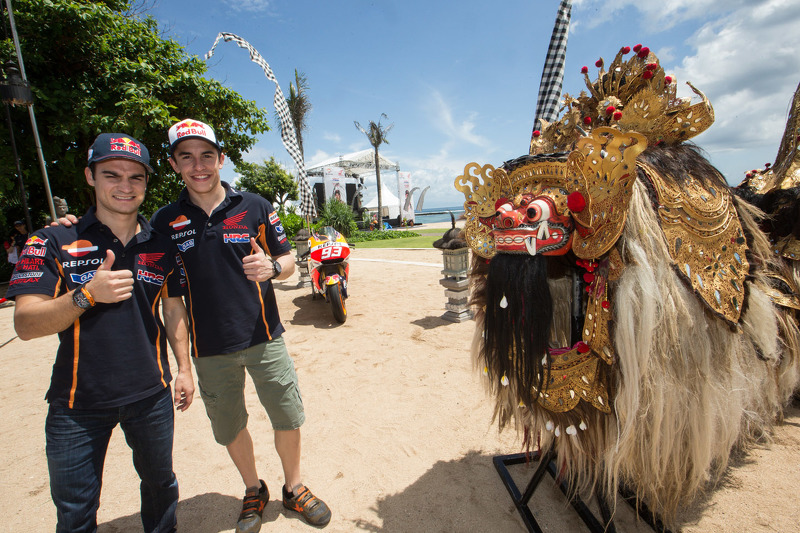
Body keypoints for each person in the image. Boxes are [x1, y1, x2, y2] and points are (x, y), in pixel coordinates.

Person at [150, 119, 331, 532]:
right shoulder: (165, 221)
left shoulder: (255, 206)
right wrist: (182, 366)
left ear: (221, 159)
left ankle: (294, 487)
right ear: (175, 164)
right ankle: (254, 488)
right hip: (209, 350)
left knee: (287, 415)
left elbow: (287, 260)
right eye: (187, 157)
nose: (199, 166)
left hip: (264, 337)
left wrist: (271, 267)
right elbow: (172, 302)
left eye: (207, 156)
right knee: (230, 425)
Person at [8, 133, 194, 533]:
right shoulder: (51, 240)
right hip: (77, 405)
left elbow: (174, 308)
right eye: (111, 174)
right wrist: (86, 296)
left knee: (161, 486)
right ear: (90, 177)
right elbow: (24, 324)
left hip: (152, 395)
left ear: (147, 183)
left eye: (135, 177)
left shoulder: (162, 246)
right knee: (76, 512)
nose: (124, 186)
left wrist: (184, 368)